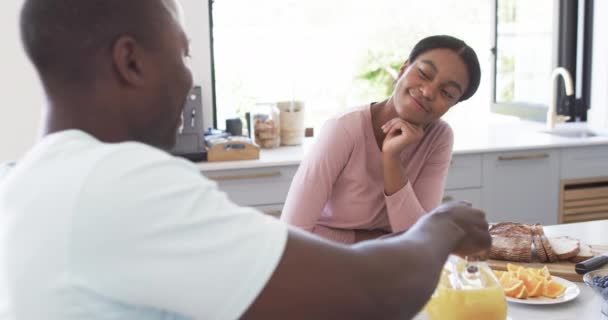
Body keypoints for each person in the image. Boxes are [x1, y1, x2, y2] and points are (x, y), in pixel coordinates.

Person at [0, 1, 491, 319]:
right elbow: (374, 293)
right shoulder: (122, 184)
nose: (188, 82)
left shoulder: (39, 176)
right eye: (183, 55)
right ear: (130, 62)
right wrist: (444, 224)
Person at [281, 35, 481, 244]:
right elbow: (292, 234)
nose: (428, 91)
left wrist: (392, 159)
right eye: (423, 73)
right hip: (325, 261)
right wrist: (379, 240)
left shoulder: (439, 137)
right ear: (403, 70)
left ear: (452, 105)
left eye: (447, 93)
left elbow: (419, 240)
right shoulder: (343, 128)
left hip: (388, 267)